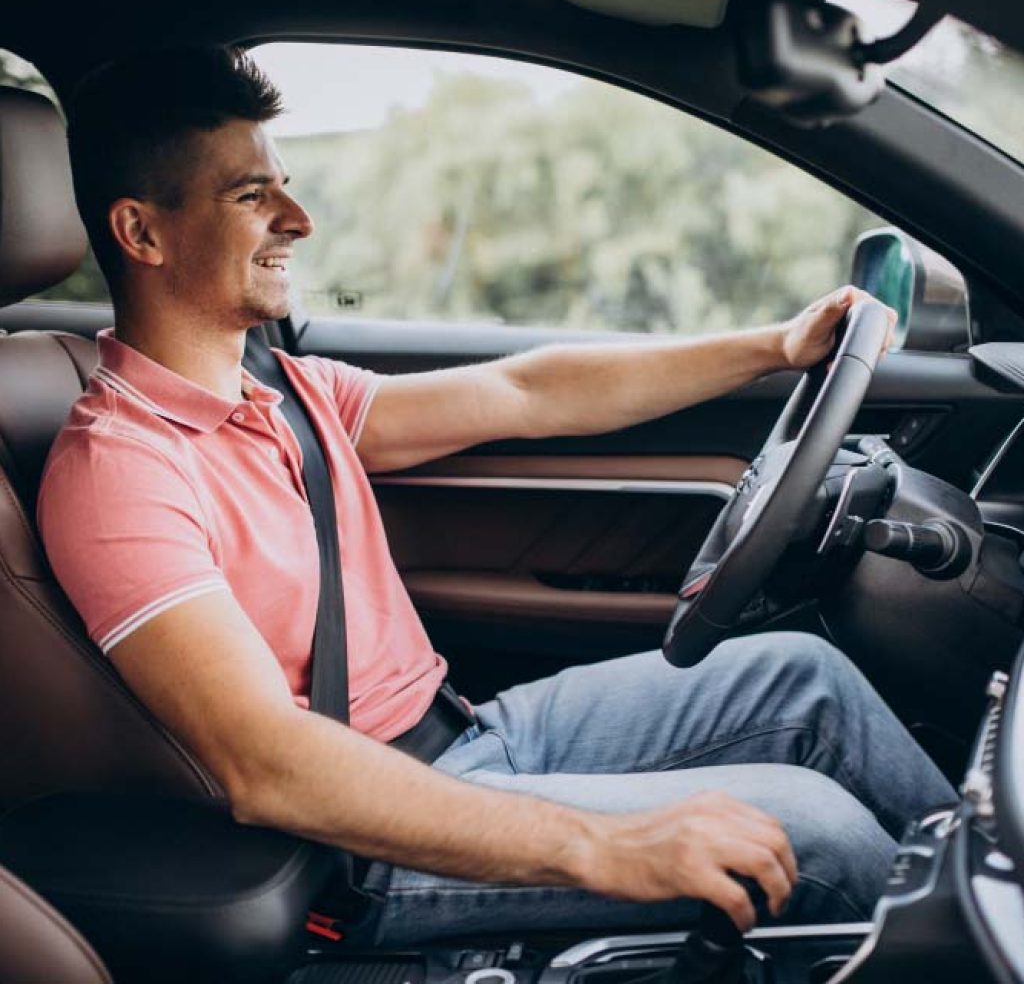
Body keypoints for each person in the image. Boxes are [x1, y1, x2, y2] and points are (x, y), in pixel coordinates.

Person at [37, 47, 956, 947]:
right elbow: (267, 766)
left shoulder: (290, 395)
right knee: (802, 830)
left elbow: (529, 393)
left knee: (804, 677)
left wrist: (771, 346)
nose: (299, 218)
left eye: (284, 185)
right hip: (361, 839)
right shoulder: (119, 472)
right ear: (142, 234)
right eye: (252, 195)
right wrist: (605, 845)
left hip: (466, 735)